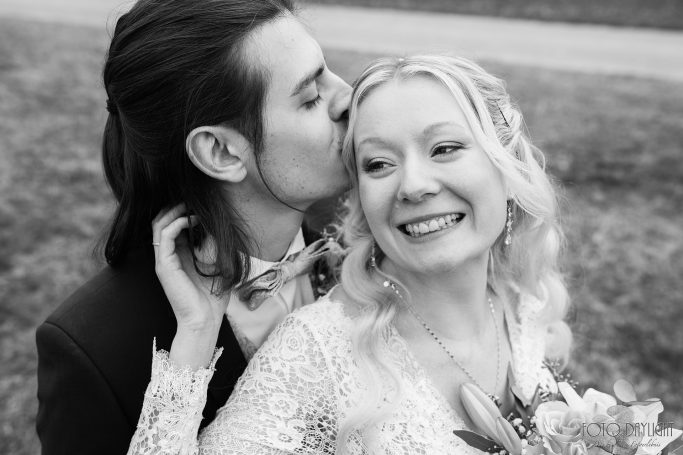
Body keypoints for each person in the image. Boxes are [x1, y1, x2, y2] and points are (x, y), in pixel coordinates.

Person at [127, 54, 573, 454]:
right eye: (378, 164)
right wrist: (195, 337)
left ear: (507, 167)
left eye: (445, 149)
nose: (413, 185)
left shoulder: (526, 303)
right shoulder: (318, 352)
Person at [35, 0, 351, 453]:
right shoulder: (93, 353)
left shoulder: (368, 241)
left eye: (328, 71)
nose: (348, 96)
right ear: (221, 153)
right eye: (311, 96)